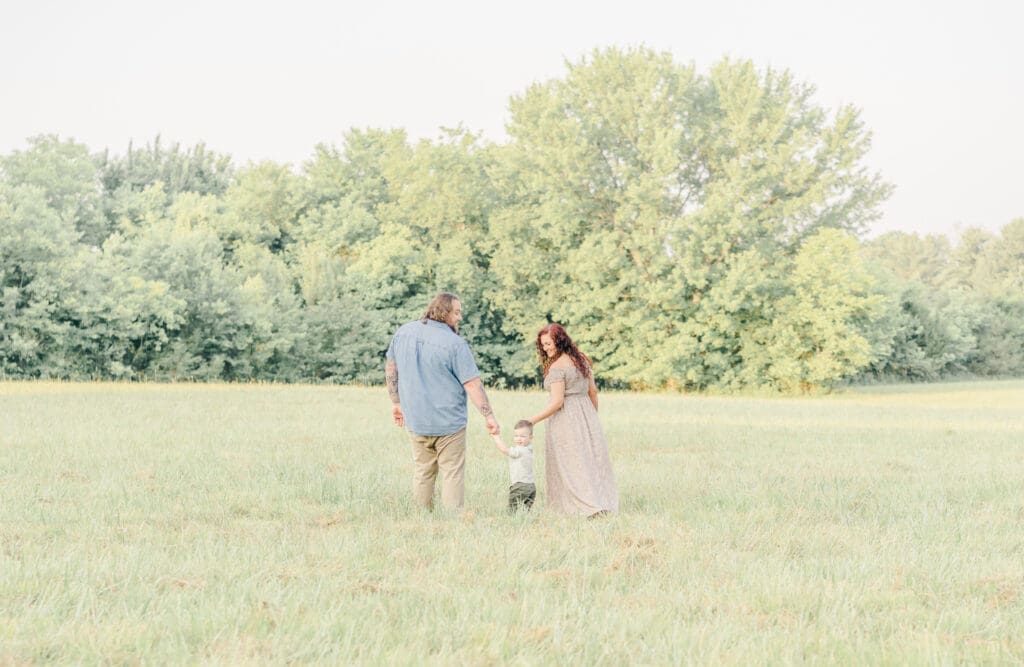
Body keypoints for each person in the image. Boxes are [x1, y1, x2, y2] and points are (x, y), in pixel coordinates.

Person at [385, 292, 500, 511]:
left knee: (423, 471)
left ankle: (420, 517)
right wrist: (489, 416)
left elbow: (391, 368)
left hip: (416, 419)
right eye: (457, 313)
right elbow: (473, 385)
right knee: (452, 473)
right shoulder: (455, 344)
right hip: (449, 424)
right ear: (444, 312)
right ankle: (451, 522)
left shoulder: (403, 332)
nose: (460, 318)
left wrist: (396, 402)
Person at [526, 323, 618, 517]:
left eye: (548, 344)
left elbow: (557, 402)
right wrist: (592, 417)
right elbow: (592, 391)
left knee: (570, 463)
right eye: (543, 345)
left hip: (565, 418)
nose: (545, 348)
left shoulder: (558, 368)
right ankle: (599, 501)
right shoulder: (582, 360)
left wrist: (532, 420)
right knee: (589, 460)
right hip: (587, 413)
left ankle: (582, 506)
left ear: (559, 341)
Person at [490, 420, 537, 513]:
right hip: (531, 486)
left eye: (522, 436)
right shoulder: (529, 448)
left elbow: (504, 450)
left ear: (530, 437)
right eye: (516, 436)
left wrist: (496, 437)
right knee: (525, 511)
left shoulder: (520, 450)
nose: (519, 439)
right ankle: (524, 523)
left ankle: (511, 522)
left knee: (512, 509)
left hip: (520, 485)